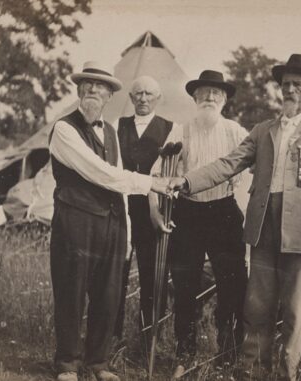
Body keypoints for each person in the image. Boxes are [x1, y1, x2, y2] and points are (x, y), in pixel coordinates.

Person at [169, 54, 301, 380]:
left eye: (297, 85)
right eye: (285, 84)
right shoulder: (264, 131)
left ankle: (284, 373)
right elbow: (228, 163)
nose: (289, 90)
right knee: (257, 306)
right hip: (263, 227)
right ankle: (250, 369)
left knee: (293, 310)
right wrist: (188, 181)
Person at [48, 61, 171, 381]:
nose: (92, 91)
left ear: (109, 95)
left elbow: (118, 190)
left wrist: (126, 233)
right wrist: (149, 183)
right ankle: (67, 364)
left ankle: (98, 363)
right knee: (71, 292)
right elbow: (98, 172)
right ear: (78, 91)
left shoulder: (113, 133)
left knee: (108, 294)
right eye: (87, 85)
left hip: (112, 225)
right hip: (75, 222)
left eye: (99, 87)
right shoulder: (63, 129)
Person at [149, 70, 248, 372]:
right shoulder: (182, 130)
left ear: (225, 99)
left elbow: (254, 174)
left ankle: (228, 353)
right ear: (194, 98)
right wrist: (154, 209)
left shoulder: (236, 132)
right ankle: (185, 353)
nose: (209, 98)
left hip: (224, 212)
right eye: (204, 93)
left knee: (233, 286)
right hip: (188, 213)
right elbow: (157, 174)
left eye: (216, 93)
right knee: (184, 286)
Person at [115, 76, 173, 345]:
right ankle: (110, 336)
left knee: (152, 275)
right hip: (121, 207)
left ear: (158, 98)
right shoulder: (118, 127)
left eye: (149, 93)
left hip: (153, 211)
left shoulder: (170, 129)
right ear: (130, 97)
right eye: (138, 93)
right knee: (116, 273)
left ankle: (149, 338)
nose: (143, 98)